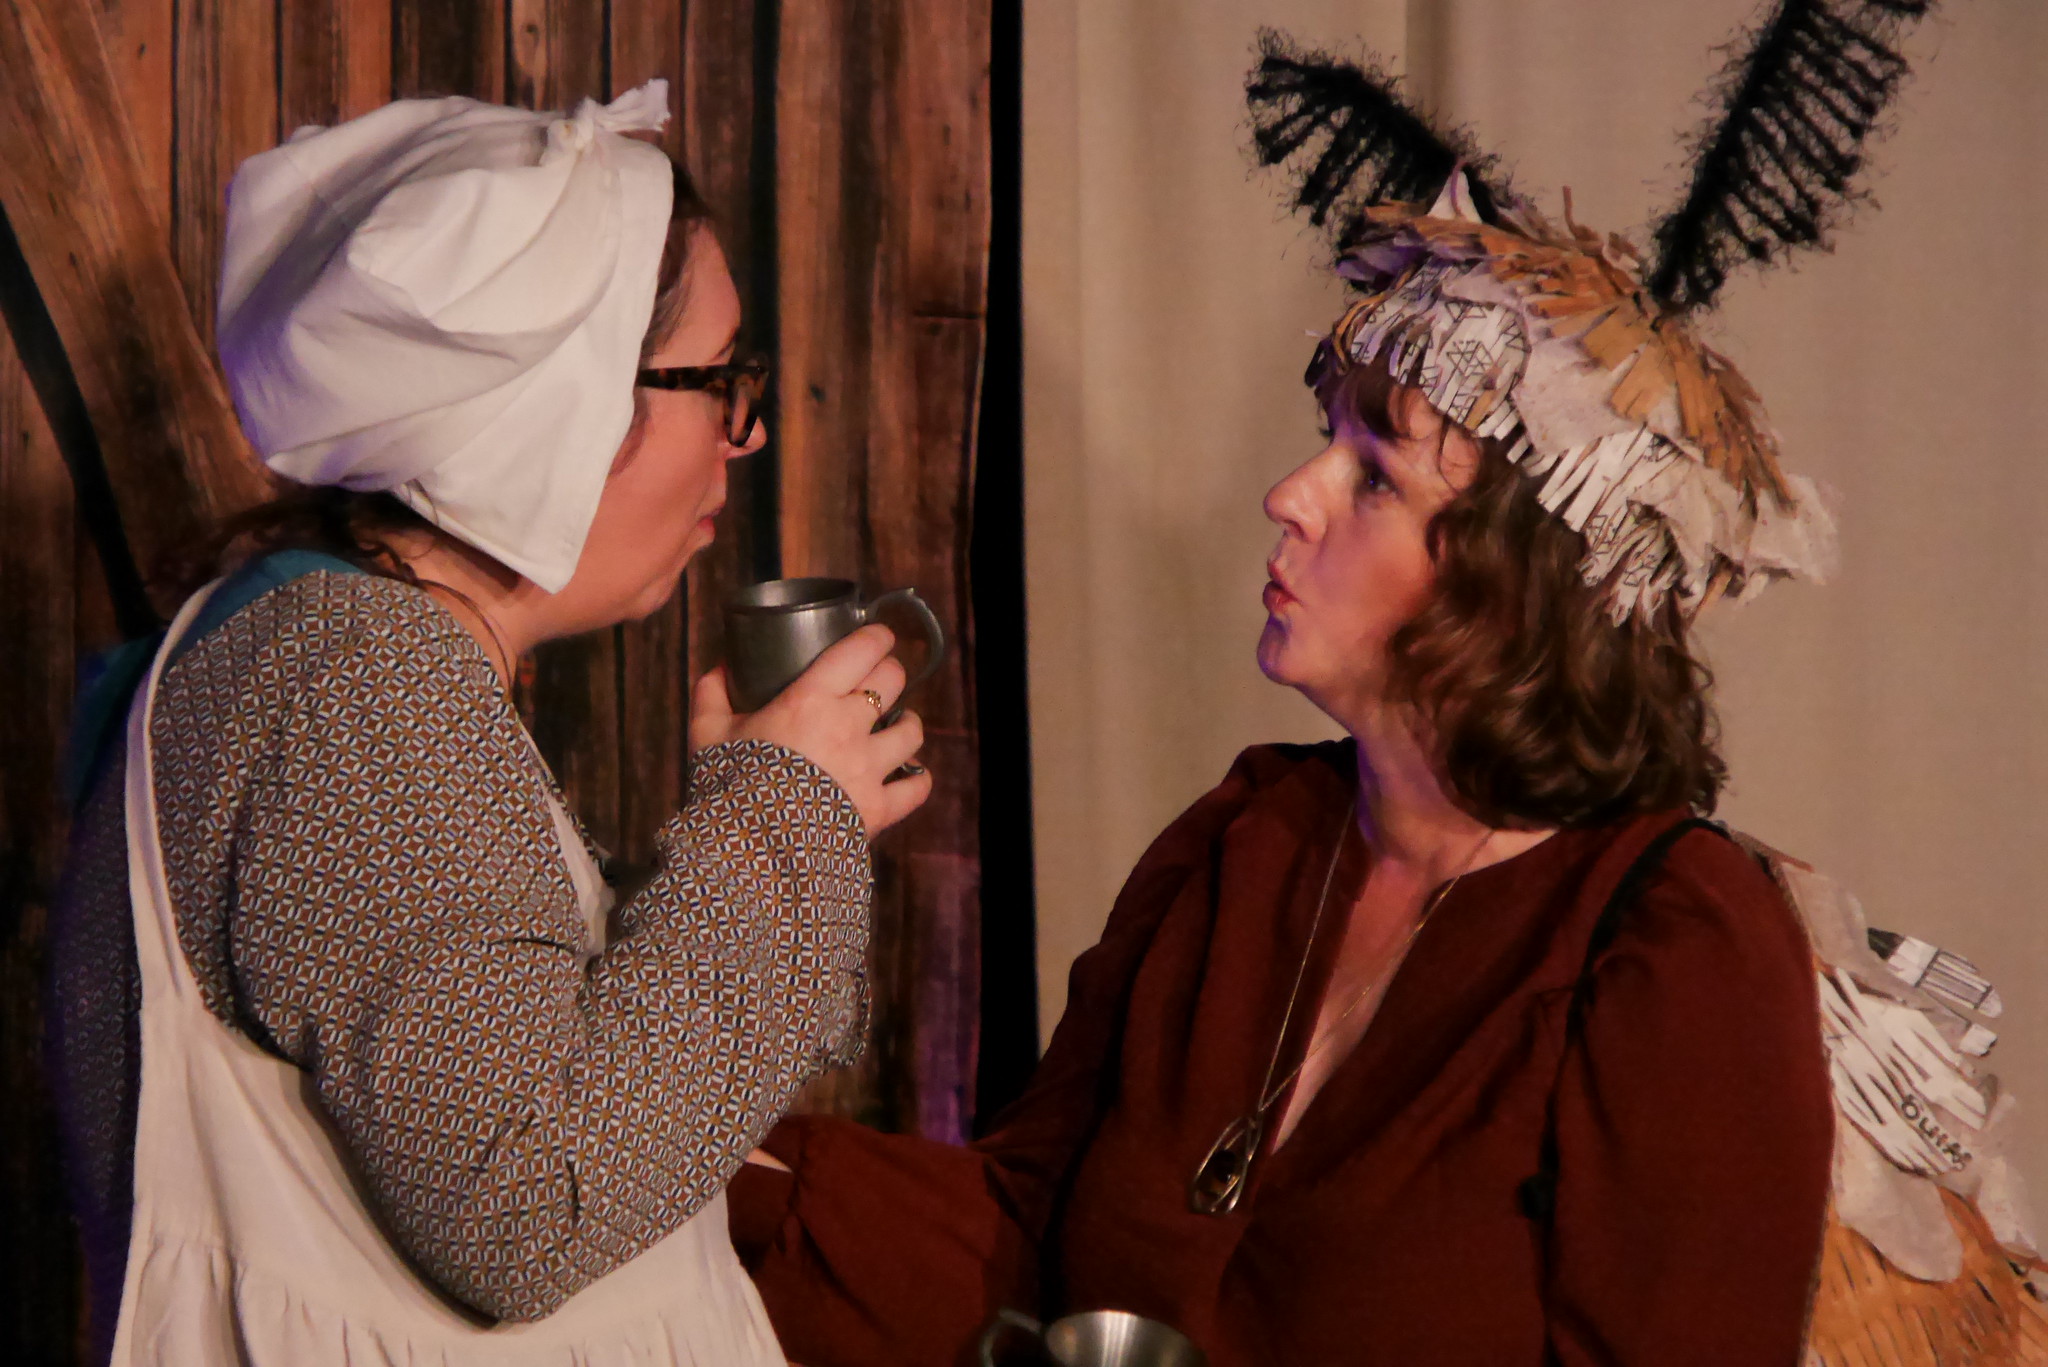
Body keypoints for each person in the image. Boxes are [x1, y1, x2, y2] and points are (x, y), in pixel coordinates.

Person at [717, 19, 1955, 1364]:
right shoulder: (1249, 840)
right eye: (1330, 445)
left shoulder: (1674, 941)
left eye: (1375, 475)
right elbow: (1017, 1229)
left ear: (1513, 584)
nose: (1291, 497)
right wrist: (679, 1160)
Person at [47, 81, 930, 1365]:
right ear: (563, 400)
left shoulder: (328, 649)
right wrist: (779, 823)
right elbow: (526, 1201)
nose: (741, 437)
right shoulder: (361, 685)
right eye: (718, 379)